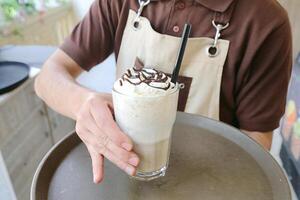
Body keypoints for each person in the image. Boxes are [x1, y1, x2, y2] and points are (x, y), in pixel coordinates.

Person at [34, 0, 292, 184]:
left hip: (209, 180)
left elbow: (256, 140)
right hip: (126, 176)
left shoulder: (265, 21)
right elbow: (48, 77)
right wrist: (83, 103)